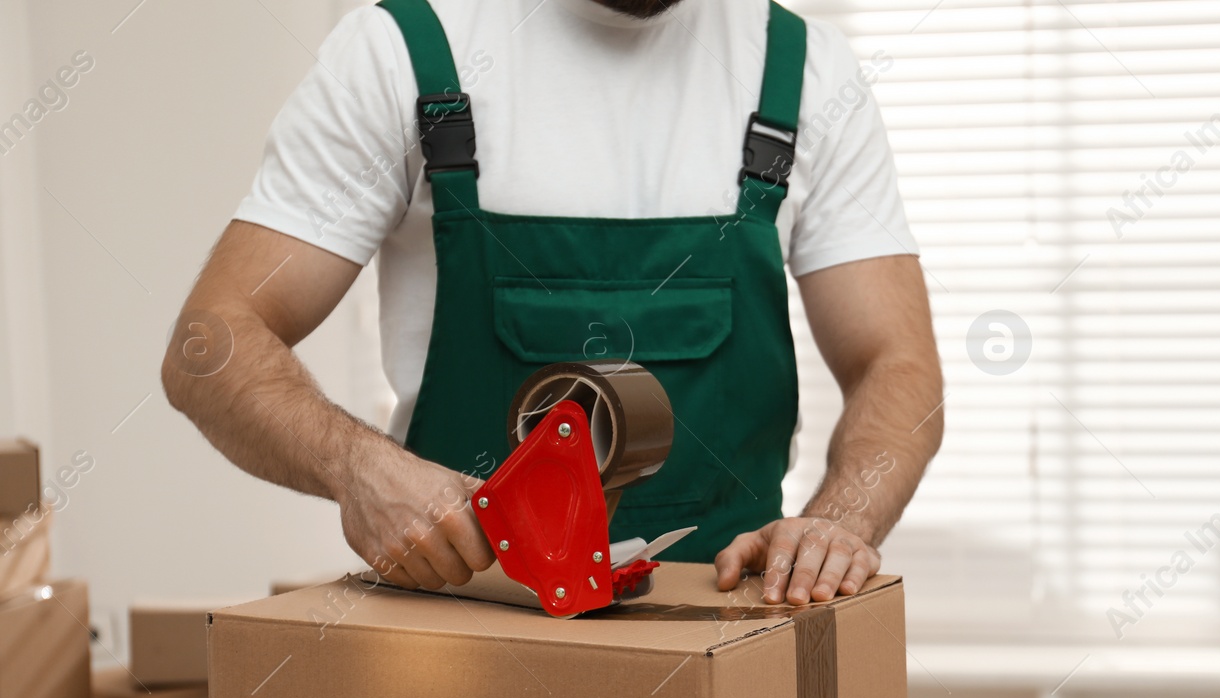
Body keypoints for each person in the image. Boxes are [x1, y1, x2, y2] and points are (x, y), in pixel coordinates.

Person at [162, 0, 941, 605]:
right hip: (467, 650)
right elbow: (211, 341)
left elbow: (897, 365)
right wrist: (357, 468)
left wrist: (841, 523)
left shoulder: (804, 73)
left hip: (729, 643)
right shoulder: (406, 51)